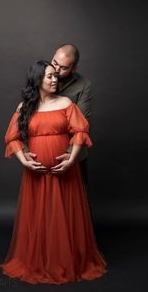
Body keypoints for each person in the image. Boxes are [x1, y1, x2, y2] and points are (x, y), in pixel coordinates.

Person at [0, 60, 107, 284]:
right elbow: (12, 138)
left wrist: (71, 159)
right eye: (49, 76)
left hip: (65, 172)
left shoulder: (66, 102)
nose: (54, 79)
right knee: (39, 218)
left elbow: (80, 132)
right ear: (37, 80)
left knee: (65, 217)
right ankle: (40, 261)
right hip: (35, 174)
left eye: (56, 76)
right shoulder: (24, 107)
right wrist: (24, 161)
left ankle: (68, 262)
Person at [25, 44, 92, 192]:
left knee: (76, 202)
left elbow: (81, 124)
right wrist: (25, 150)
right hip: (39, 160)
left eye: (63, 68)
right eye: (55, 63)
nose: (56, 70)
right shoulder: (40, 77)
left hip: (73, 156)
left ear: (73, 69)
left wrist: (69, 155)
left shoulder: (83, 85)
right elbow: (26, 119)